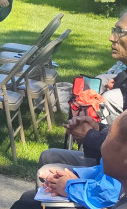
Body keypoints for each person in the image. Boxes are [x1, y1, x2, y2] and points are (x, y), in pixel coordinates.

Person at [36, 11, 127, 169]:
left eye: (120, 32)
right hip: (106, 163)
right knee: (48, 157)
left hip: (116, 175)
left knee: (48, 170)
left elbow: (121, 150)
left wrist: (89, 135)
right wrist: (97, 128)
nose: (111, 38)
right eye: (114, 30)